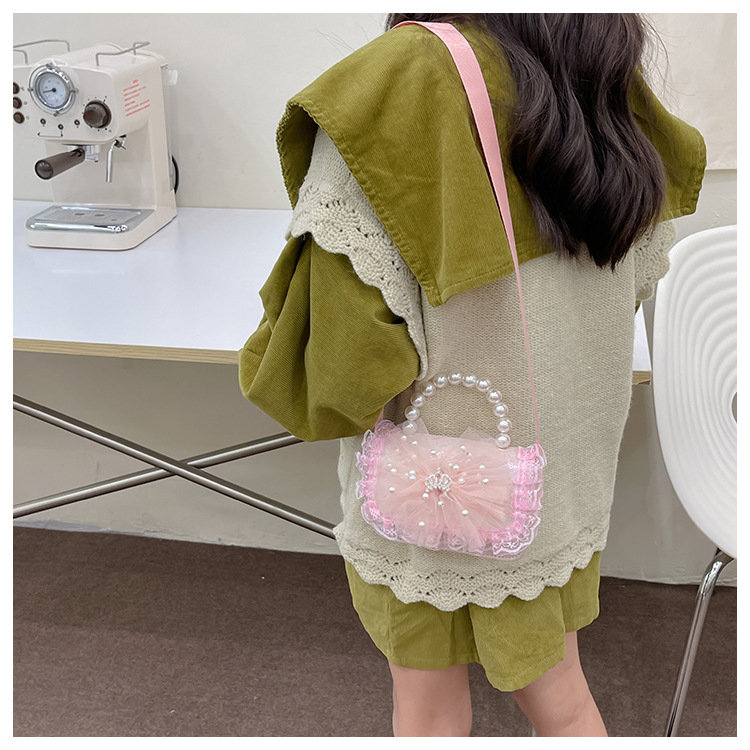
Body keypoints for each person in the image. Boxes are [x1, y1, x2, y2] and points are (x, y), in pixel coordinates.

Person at [238, 13, 706, 737]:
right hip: (562, 483)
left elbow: (334, 381)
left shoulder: (399, 82)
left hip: (431, 495)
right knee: (564, 699)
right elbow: (639, 272)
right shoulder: (596, 59)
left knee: (427, 711)